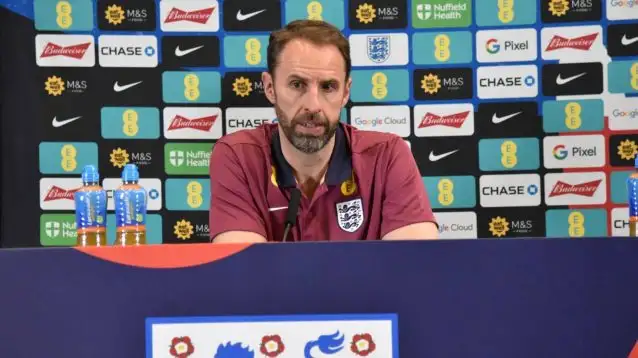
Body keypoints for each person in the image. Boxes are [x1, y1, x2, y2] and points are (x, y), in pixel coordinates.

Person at [209, 19, 438, 243]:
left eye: (328, 87)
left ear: (346, 92)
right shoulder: (238, 156)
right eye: (297, 84)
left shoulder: (387, 156)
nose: (313, 105)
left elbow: (414, 270)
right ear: (270, 88)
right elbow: (244, 272)